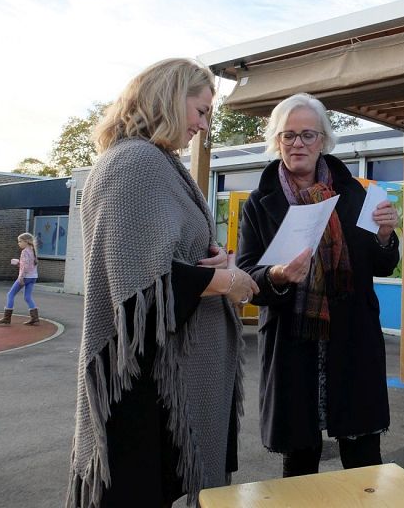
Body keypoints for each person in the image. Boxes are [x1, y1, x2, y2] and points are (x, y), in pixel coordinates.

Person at [66, 58, 259, 508]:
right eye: (202, 110)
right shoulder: (134, 163)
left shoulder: (154, 162)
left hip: (160, 376)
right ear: (170, 99)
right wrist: (227, 280)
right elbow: (140, 288)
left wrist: (209, 262)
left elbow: (162, 257)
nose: (204, 125)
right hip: (143, 381)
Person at [236, 92, 400, 477]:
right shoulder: (259, 204)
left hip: (351, 342)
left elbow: (382, 266)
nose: (298, 144)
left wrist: (385, 236)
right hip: (295, 344)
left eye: (308, 135)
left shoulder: (355, 194)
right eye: (288, 135)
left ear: (324, 140)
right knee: (300, 463)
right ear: (276, 142)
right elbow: (246, 277)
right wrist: (276, 276)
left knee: (362, 461)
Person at [0, 234, 39, 325]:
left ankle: (7, 318)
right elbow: (29, 265)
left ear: (26, 241)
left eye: (20, 241)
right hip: (33, 277)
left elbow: (25, 267)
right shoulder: (32, 250)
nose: (18, 243)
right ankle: (35, 318)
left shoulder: (24, 252)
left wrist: (21, 277)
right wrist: (19, 263)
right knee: (27, 297)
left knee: (10, 294)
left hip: (25, 277)